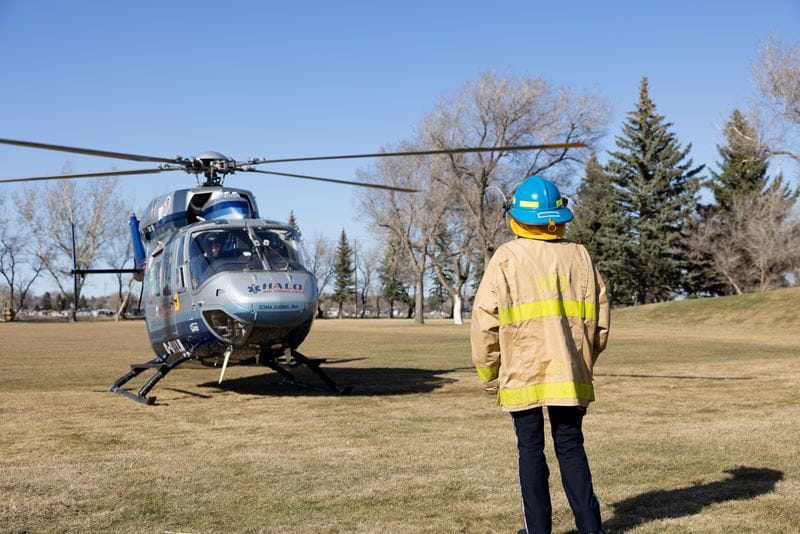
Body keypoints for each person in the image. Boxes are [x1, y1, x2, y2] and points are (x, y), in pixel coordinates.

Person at [470, 175, 610, 534]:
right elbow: (600, 320)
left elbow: (484, 324)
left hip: (523, 373)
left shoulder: (506, 258)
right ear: (558, 218)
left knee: (530, 450)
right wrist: (585, 360)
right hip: (569, 371)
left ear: (517, 219)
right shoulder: (580, 255)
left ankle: (538, 530)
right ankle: (592, 528)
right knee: (571, 446)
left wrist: (490, 376)